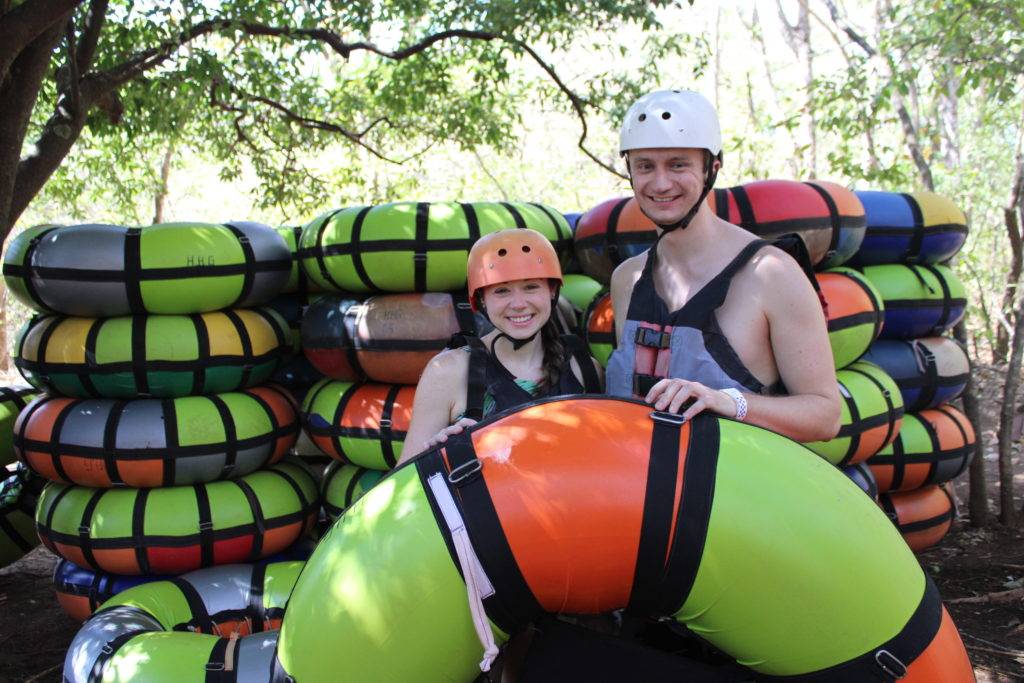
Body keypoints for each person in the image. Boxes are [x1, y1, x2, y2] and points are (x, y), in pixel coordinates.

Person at [607, 90, 840, 443]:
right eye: (645, 166)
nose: (660, 183)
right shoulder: (627, 279)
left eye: (678, 164)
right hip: (640, 491)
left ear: (711, 168)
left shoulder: (771, 273)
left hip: (738, 491)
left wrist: (730, 402)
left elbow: (825, 417)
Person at [397, 228, 603, 465]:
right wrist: (435, 458)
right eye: (502, 290)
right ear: (481, 300)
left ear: (552, 291)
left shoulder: (584, 368)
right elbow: (404, 478)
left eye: (531, 287)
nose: (518, 304)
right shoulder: (448, 372)